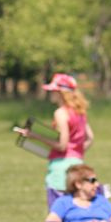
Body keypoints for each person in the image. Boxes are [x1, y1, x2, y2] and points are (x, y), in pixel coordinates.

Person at [17, 72, 95, 208]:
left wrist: (34, 136)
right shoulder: (80, 112)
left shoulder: (60, 113)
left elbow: (62, 145)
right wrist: (76, 153)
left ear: (61, 93)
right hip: (78, 166)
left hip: (60, 171)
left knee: (57, 214)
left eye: (53, 91)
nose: (51, 94)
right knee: (76, 211)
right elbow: (90, 138)